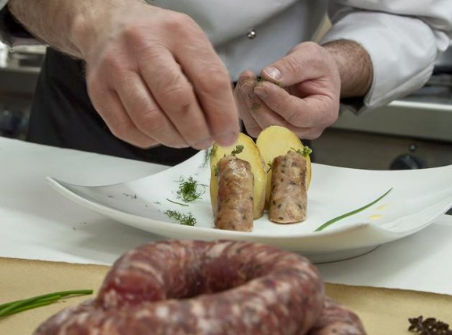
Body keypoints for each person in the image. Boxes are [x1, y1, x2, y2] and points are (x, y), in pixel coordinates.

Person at [0, 1, 451, 165]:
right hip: (89, 112)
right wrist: (89, 15)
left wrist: (336, 65)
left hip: (267, 121)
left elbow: (405, 15)